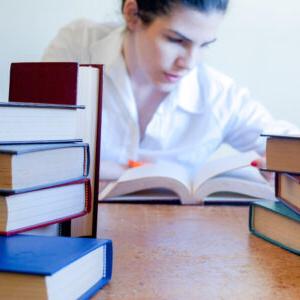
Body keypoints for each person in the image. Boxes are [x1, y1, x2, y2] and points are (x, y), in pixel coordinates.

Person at [43, 0, 298, 179]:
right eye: (176, 40)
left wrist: (284, 167)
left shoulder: (216, 94)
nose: (188, 63)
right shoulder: (78, 46)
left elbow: (284, 142)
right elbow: (33, 152)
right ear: (132, 15)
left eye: (204, 45)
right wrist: (125, 172)